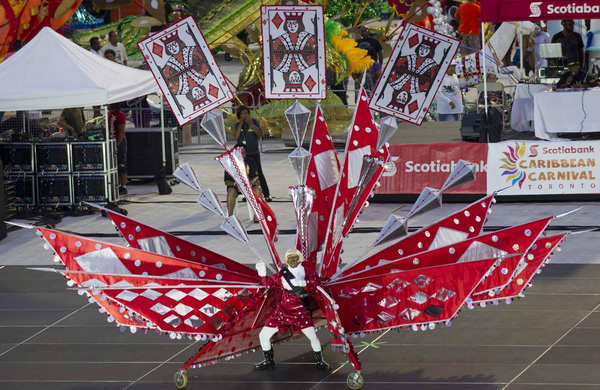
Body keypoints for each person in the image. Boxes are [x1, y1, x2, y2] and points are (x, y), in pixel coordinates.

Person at [254, 249, 329, 371]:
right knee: (263, 335)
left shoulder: (307, 271)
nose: (292, 260)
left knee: (313, 337)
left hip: (301, 312)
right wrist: (262, 273)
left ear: (299, 259)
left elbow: (318, 282)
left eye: (294, 257)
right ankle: (269, 360)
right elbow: (268, 282)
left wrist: (303, 282)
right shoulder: (283, 273)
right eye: (290, 258)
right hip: (283, 311)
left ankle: (320, 361)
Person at [234, 106, 271, 202]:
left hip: (254, 152)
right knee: (244, 174)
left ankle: (266, 194)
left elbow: (260, 135)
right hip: (243, 154)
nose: (244, 115)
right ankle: (246, 195)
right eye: (242, 113)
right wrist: (241, 123)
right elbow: (236, 136)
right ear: (239, 115)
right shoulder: (238, 125)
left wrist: (251, 125)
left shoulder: (254, 122)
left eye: (246, 113)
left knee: (259, 173)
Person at [224, 143, 262, 219]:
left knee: (258, 189)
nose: (241, 154)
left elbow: (256, 176)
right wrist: (236, 184)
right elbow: (227, 181)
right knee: (230, 193)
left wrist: (251, 183)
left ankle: (256, 215)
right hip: (236, 187)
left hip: (249, 186)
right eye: (239, 153)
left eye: (243, 152)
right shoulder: (230, 163)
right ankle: (230, 217)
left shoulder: (250, 161)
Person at [108, 103, 128, 195]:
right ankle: (117, 185)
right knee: (114, 165)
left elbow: (121, 131)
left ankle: (123, 186)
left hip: (119, 142)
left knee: (121, 164)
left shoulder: (120, 115)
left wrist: (117, 144)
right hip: (112, 141)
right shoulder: (109, 114)